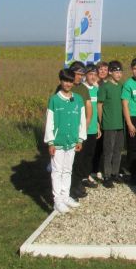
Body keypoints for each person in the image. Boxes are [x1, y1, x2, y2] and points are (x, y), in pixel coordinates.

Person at [44, 68, 86, 214]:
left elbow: (82, 121)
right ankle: (57, 201)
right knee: (57, 171)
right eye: (65, 81)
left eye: (70, 81)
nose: (68, 84)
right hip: (58, 142)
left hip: (72, 141)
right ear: (61, 81)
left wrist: (80, 139)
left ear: (73, 82)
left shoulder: (78, 99)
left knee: (68, 170)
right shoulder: (54, 100)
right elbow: (49, 122)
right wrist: (50, 142)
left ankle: (65, 196)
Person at [64, 62, 92, 196]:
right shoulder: (64, 87)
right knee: (69, 161)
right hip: (67, 130)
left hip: (80, 130)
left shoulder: (83, 89)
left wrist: (83, 130)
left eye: (82, 75)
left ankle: (76, 183)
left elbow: (89, 109)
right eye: (78, 74)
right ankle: (68, 187)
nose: (80, 77)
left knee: (79, 160)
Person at [97, 61, 124, 188]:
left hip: (120, 124)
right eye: (116, 72)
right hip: (108, 124)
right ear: (110, 72)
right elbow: (99, 105)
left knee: (118, 150)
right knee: (108, 151)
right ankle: (107, 175)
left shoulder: (121, 86)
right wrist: (100, 122)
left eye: (120, 72)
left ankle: (115, 173)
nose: (119, 74)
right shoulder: (105, 86)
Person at [121, 58, 136, 185]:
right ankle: (133, 174)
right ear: (132, 69)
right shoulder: (128, 84)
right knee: (133, 147)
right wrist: (129, 123)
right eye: (135, 69)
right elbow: (125, 105)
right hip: (133, 118)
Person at [80, 63, 102, 186]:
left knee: (90, 153)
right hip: (84, 127)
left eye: (95, 74)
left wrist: (98, 125)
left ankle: (87, 175)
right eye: (90, 74)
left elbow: (96, 108)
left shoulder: (96, 89)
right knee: (82, 154)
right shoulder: (82, 89)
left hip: (93, 127)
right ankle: (81, 176)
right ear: (85, 75)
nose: (93, 77)